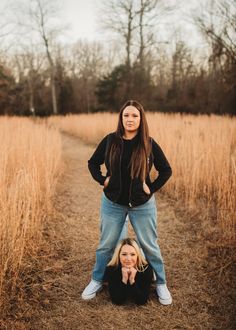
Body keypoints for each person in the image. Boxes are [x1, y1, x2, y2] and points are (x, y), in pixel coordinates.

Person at [81, 100, 172, 305]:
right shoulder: (110, 140)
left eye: (134, 116)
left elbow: (166, 170)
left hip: (142, 204)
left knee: (149, 245)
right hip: (113, 203)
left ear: (141, 119)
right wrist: (103, 180)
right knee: (106, 245)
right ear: (121, 118)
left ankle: (161, 283)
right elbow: (93, 163)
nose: (130, 119)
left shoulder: (148, 143)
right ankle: (97, 279)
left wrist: (152, 187)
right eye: (126, 116)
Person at [104, 238, 153, 305]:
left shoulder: (146, 269)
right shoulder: (111, 269)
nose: (128, 259)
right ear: (118, 255)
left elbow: (141, 301)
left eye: (133, 254)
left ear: (137, 255)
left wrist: (132, 280)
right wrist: (124, 279)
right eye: (124, 254)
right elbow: (117, 301)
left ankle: (141, 252)